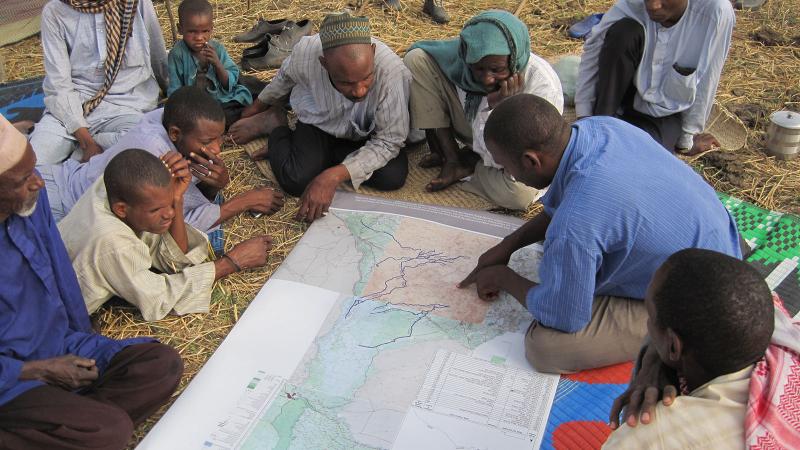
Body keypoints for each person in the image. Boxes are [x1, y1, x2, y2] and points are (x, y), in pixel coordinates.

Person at [458, 94, 742, 374]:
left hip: (707, 305)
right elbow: (566, 204)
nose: (509, 175)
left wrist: (501, 277)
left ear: (531, 161)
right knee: (562, 249)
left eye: (505, 167)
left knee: (545, 347)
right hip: (719, 241)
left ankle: (670, 339)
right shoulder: (601, 127)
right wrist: (509, 245)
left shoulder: (573, 225)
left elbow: (563, 316)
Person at [0, 114, 182, 448]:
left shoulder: (30, 200)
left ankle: (71, 427)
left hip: (60, 344)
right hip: (13, 380)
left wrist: (82, 343)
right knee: (110, 431)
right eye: (23, 178)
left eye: (34, 169)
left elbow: (61, 276)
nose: (38, 183)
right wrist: (38, 370)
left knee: (161, 364)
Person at [604, 249, 800, 448]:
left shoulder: (647, 437)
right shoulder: (769, 324)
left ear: (673, 346)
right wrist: (652, 364)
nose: (648, 323)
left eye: (650, 316)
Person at [227, 12, 411, 223]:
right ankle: (275, 124)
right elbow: (284, 78)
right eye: (346, 83)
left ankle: (311, 155)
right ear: (325, 64)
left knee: (393, 176)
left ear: (372, 51)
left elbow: (389, 141)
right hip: (320, 123)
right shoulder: (306, 53)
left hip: (364, 134)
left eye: (366, 78)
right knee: (296, 181)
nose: (360, 91)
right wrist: (255, 108)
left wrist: (332, 176)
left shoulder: (392, 72)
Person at [58, 149, 274, 321]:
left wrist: (177, 198)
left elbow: (174, 261)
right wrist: (231, 262)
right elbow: (158, 298)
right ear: (122, 209)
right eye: (157, 210)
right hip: (59, 315)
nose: (169, 214)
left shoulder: (123, 193)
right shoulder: (114, 242)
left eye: (169, 203)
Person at [38, 86, 285, 232]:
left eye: (219, 138)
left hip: (60, 180)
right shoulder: (158, 158)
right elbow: (178, 226)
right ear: (175, 133)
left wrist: (213, 184)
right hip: (60, 209)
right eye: (207, 141)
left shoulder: (165, 119)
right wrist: (244, 201)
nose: (217, 149)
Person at [405, 10, 563, 210]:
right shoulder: (465, 59)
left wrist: (499, 108)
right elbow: (422, 58)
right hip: (471, 127)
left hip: (509, 152)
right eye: (479, 69)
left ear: (514, 60)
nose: (487, 79)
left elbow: (519, 160)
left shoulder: (542, 86)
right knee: (416, 59)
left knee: (519, 195)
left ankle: (470, 165)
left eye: (497, 70)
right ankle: (452, 158)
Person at [575, 0, 735, 155]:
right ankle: (602, 123)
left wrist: (686, 140)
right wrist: (585, 117)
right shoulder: (633, 5)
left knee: (639, 156)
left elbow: (707, 80)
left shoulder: (715, 11)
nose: (653, 5)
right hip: (621, 94)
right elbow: (594, 48)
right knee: (624, 31)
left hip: (665, 113)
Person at [30, 0, 168, 165]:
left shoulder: (137, 3)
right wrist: (87, 141)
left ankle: (75, 157)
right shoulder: (55, 11)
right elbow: (59, 86)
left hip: (126, 105)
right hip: (72, 108)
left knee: (150, 149)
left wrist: (173, 92)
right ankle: (82, 155)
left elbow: (158, 57)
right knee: (32, 164)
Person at [168, 0, 265, 129]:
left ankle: (267, 104)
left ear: (211, 29)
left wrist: (217, 64)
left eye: (205, 31)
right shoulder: (177, 54)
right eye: (192, 32)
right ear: (180, 29)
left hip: (226, 93)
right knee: (216, 117)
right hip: (204, 105)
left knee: (253, 85)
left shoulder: (217, 49)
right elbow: (175, 89)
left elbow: (229, 81)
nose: (199, 37)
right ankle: (248, 116)